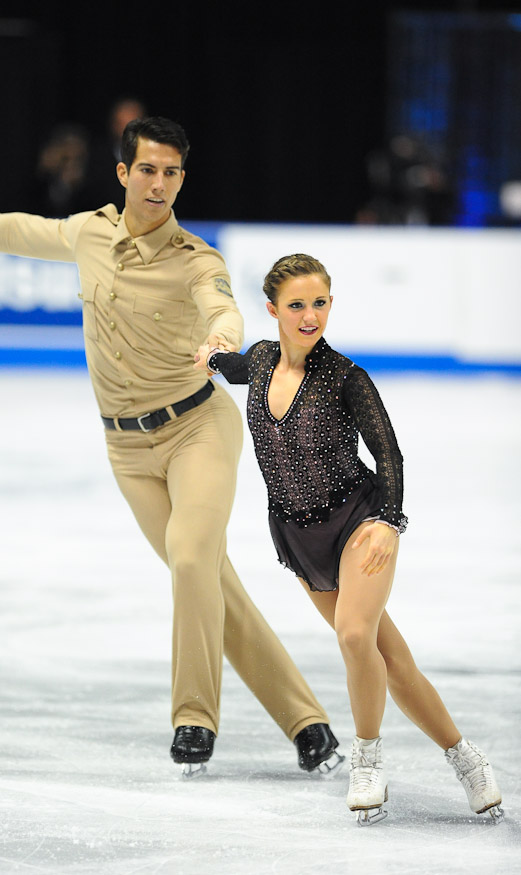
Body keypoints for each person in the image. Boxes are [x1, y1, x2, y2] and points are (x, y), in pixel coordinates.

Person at [0, 118, 343, 779]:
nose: (159, 182)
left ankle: (192, 718)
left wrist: (221, 343)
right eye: (147, 169)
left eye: (171, 172)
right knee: (209, 582)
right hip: (126, 450)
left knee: (191, 559)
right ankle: (307, 724)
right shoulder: (90, 234)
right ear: (122, 173)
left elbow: (221, 307)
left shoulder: (197, 259)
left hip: (197, 430)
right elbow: (22, 231)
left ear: (181, 179)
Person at [194, 253, 504, 822]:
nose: (310, 315)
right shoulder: (261, 362)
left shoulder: (346, 378)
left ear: (330, 304)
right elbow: (234, 365)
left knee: (355, 636)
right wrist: (211, 357)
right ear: (273, 310)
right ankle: (465, 758)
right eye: (297, 306)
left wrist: (388, 520)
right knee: (392, 659)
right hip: (298, 533)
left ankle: (367, 759)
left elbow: (389, 454)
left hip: (359, 518)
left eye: (320, 303)